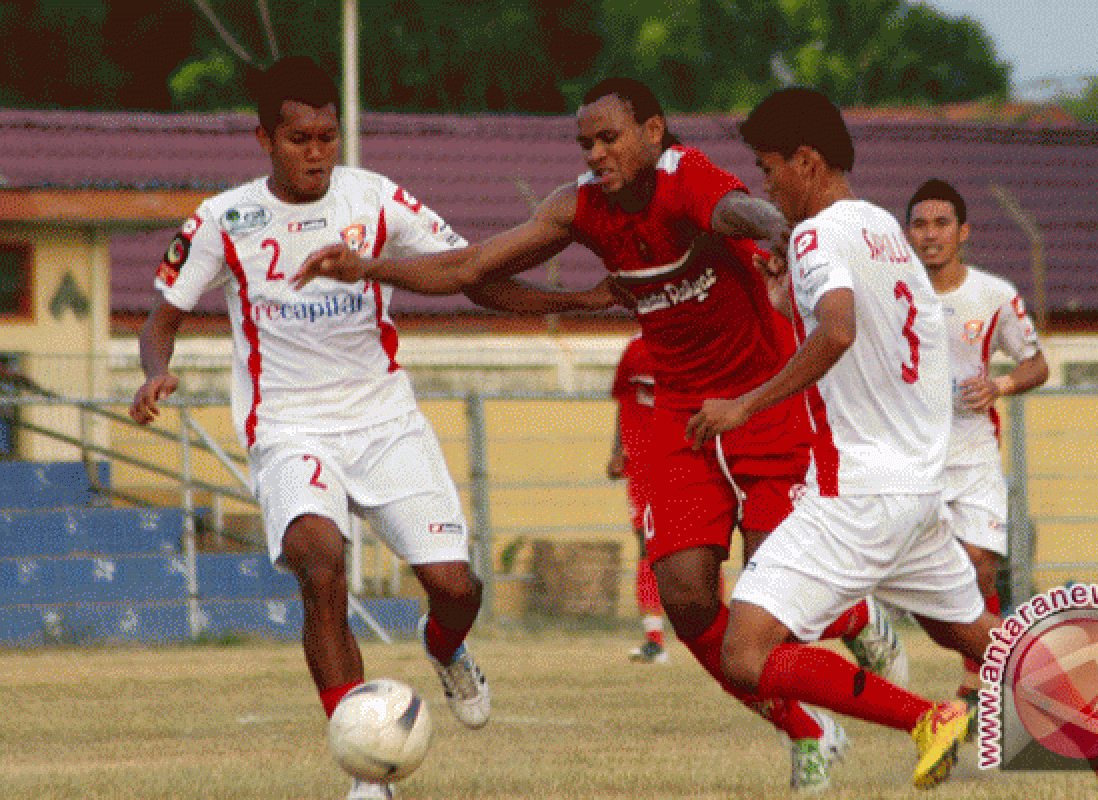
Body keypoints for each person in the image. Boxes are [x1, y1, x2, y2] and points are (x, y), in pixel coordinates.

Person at [291, 76, 908, 790]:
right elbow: (469, 268)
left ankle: (858, 615)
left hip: (762, 405)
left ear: (653, 131)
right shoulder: (579, 205)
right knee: (685, 597)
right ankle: (806, 730)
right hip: (684, 416)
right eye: (585, 142)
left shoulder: (688, 180)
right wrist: (368, 266)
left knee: (775, 613)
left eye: (609, 136)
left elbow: (743, 211)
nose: (596, 153)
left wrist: (788, 239)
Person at [127, 56, 491, 800]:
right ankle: (366, 771)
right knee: (319, 566)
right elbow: (161, 317)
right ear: (265, 137)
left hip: (384, 420)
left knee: (454, 588)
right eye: (299, 138)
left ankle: (445, 646)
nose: (316, 152)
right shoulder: (223, 219)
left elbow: (464, 264)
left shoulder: (376, 198)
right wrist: (153, 370)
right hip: (289, 428)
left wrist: (570, 299)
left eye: (327, 136)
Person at [684, 87, 1007, 790]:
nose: (766, 186)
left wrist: (743, 404)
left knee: (744, 651)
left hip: (856, 491)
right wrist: (784, 297)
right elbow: (872, 335)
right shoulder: (883, 230)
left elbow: (837, 331)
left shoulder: (814, 234)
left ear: (806, 160)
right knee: (976, 635)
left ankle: (929, 718)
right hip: (918, 489)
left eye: (769, 169)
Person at [905, 178, 1049, 704]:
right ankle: (979, 668)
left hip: (973, 457)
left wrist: (1001, 385)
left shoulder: (993, 294)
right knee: (931, 588)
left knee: (979, 566)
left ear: (963, 232)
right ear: (907, 233)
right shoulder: (896, 294)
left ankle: (972, 688)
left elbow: (1037, 364)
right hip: (911, 460)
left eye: (942, 223)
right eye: (920, 224)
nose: (930, 234)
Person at [606, 332, 669, 664]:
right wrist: (617, 450)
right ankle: (654, 641)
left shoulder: (693, 338)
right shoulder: (635, 348)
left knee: (705, 545)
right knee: (646, 545)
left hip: (685, 460)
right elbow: (624, 400)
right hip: (643, 466)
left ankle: (723, 635)